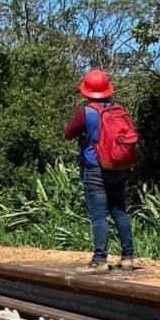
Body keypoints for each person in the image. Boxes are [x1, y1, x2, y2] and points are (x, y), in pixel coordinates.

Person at [64, 69, 136, 274]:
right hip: (118, 166)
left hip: (95, 168)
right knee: (119, 210)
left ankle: (100, 259)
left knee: (98, 216)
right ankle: (128, 257)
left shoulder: (85, 113)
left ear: (86, 91)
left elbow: (68, 134)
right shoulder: (119, 109)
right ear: (107, 89)